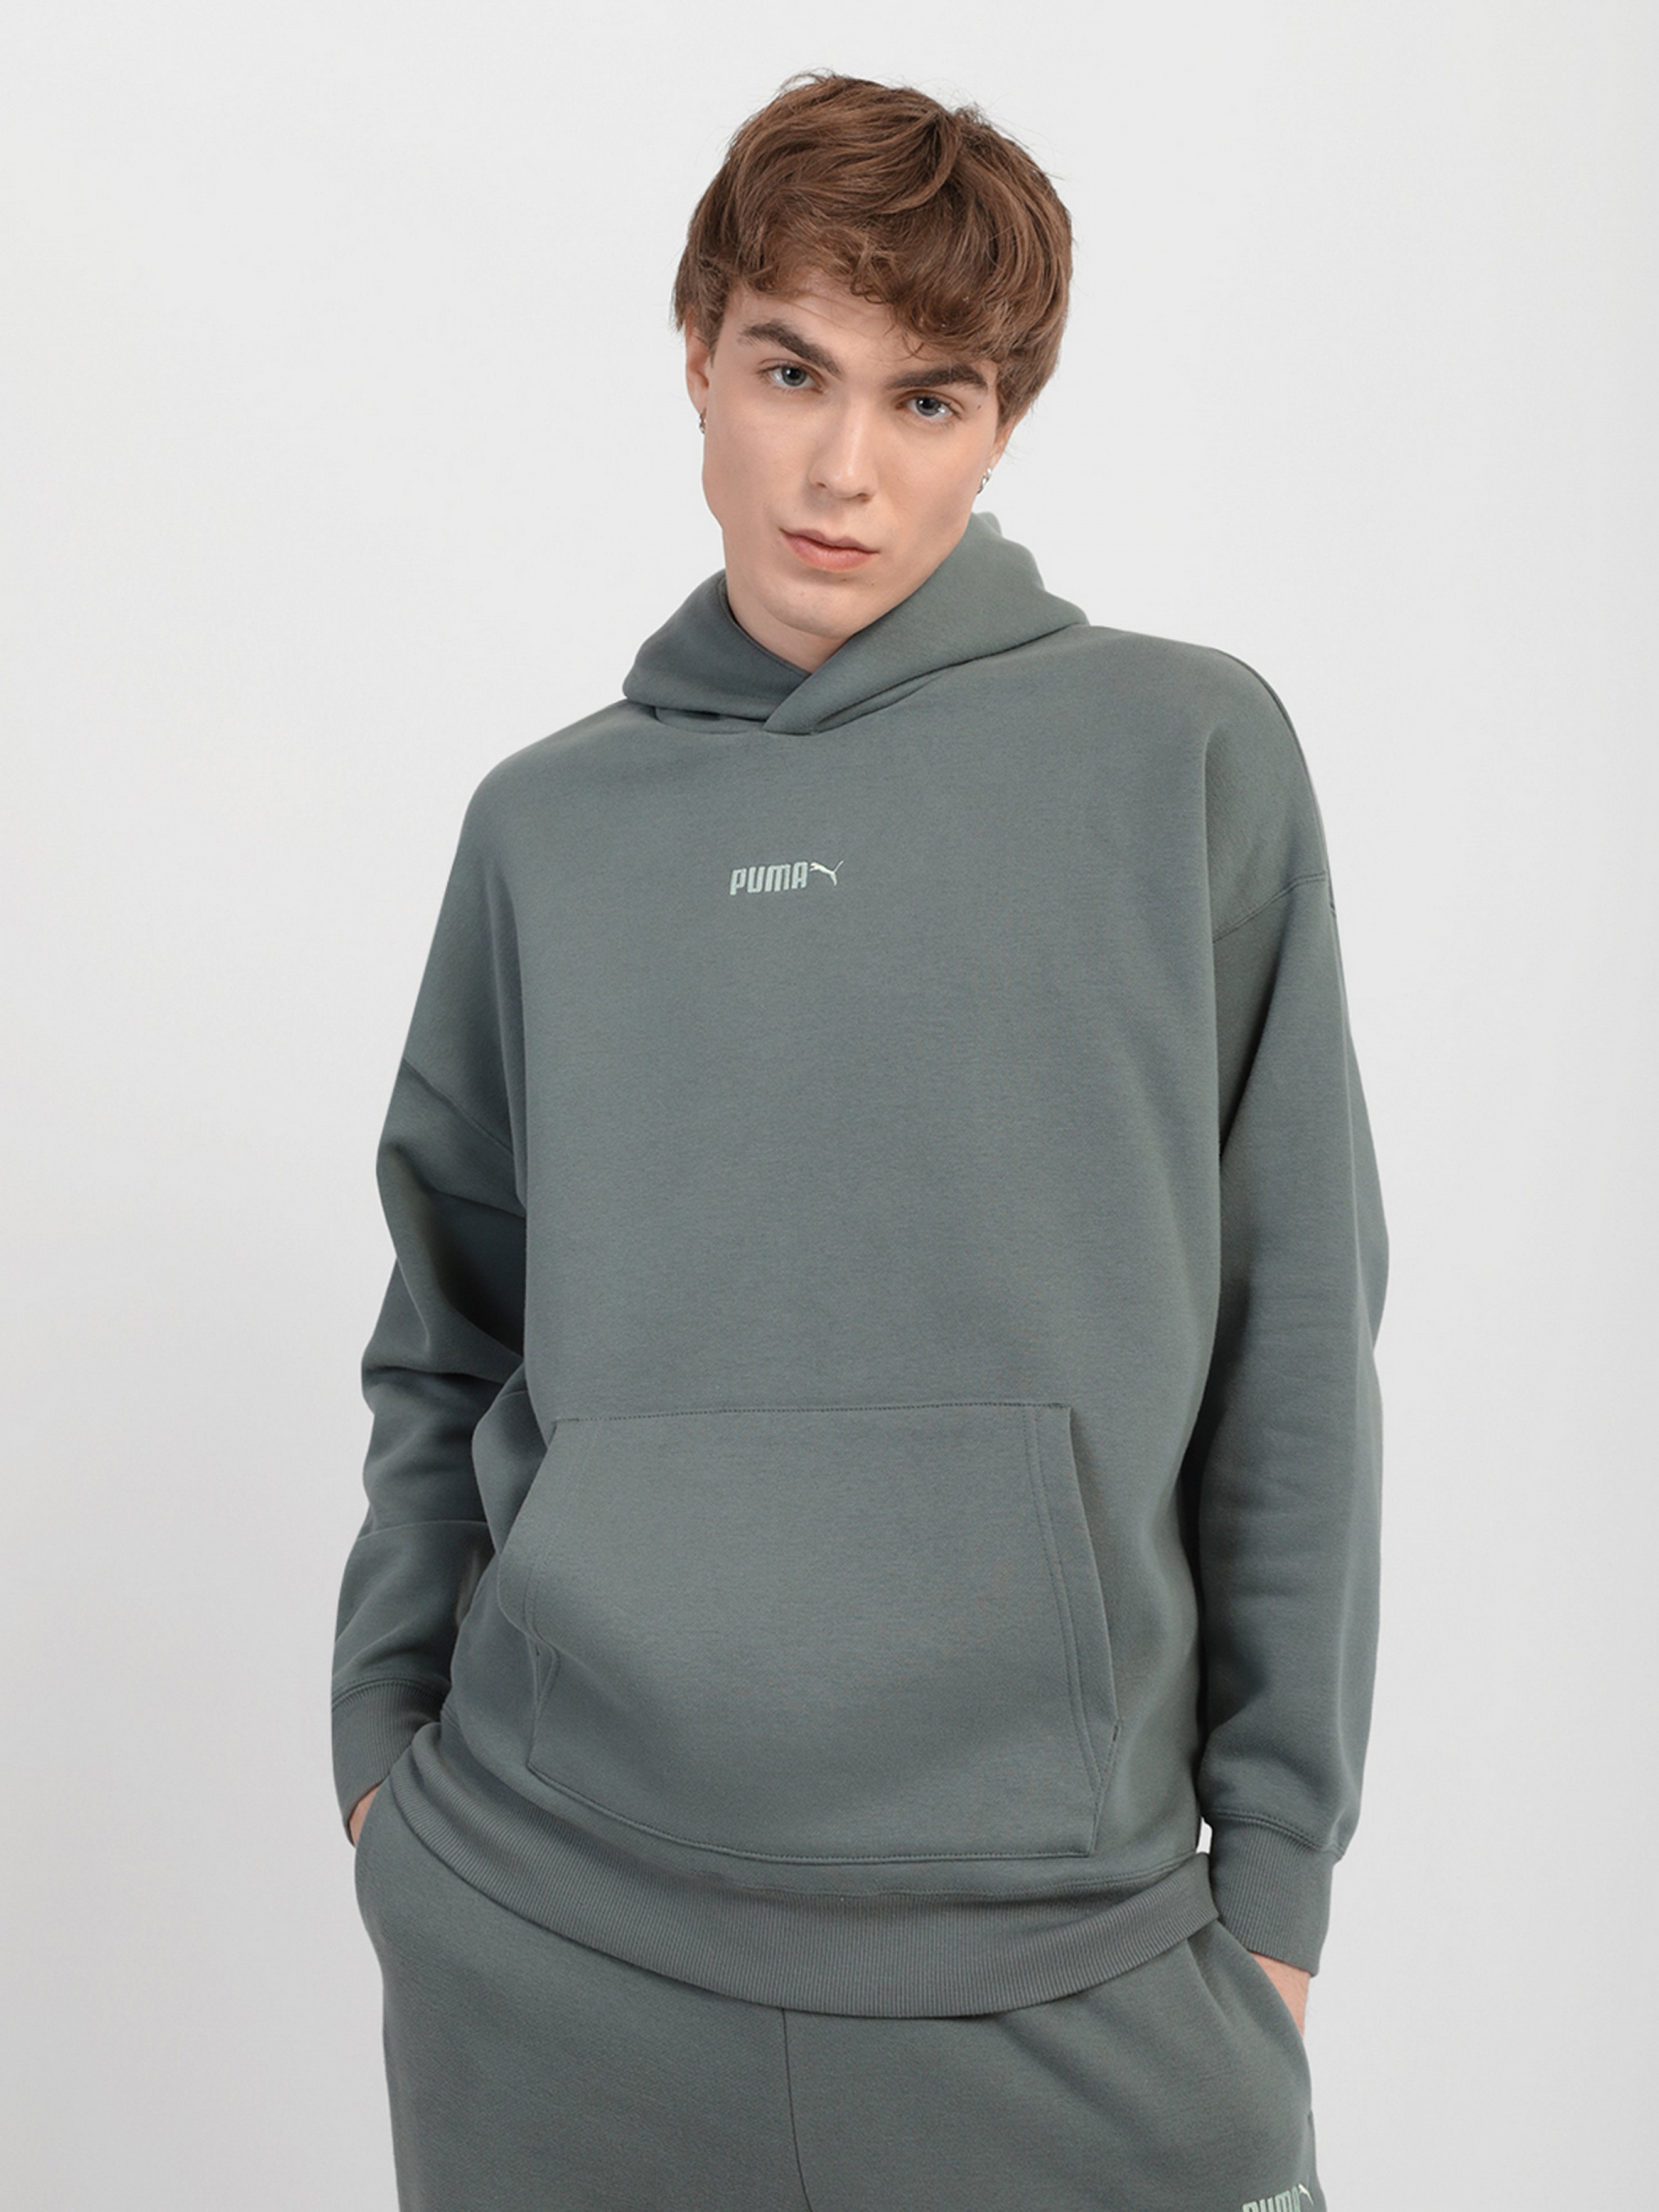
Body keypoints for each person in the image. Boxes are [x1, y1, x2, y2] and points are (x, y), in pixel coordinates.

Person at [331, 69, 1386, 2212]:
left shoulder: (1182, 754)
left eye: (929, 399)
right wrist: (380, 1770)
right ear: (696, 356)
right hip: (550, 1962)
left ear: (1001, 426)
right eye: (792, 369)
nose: (844, 469)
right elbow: (448, 1329)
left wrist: (1273, 1891)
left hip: (1075, 1980)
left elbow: (1294, 1347)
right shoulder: (547, 826)